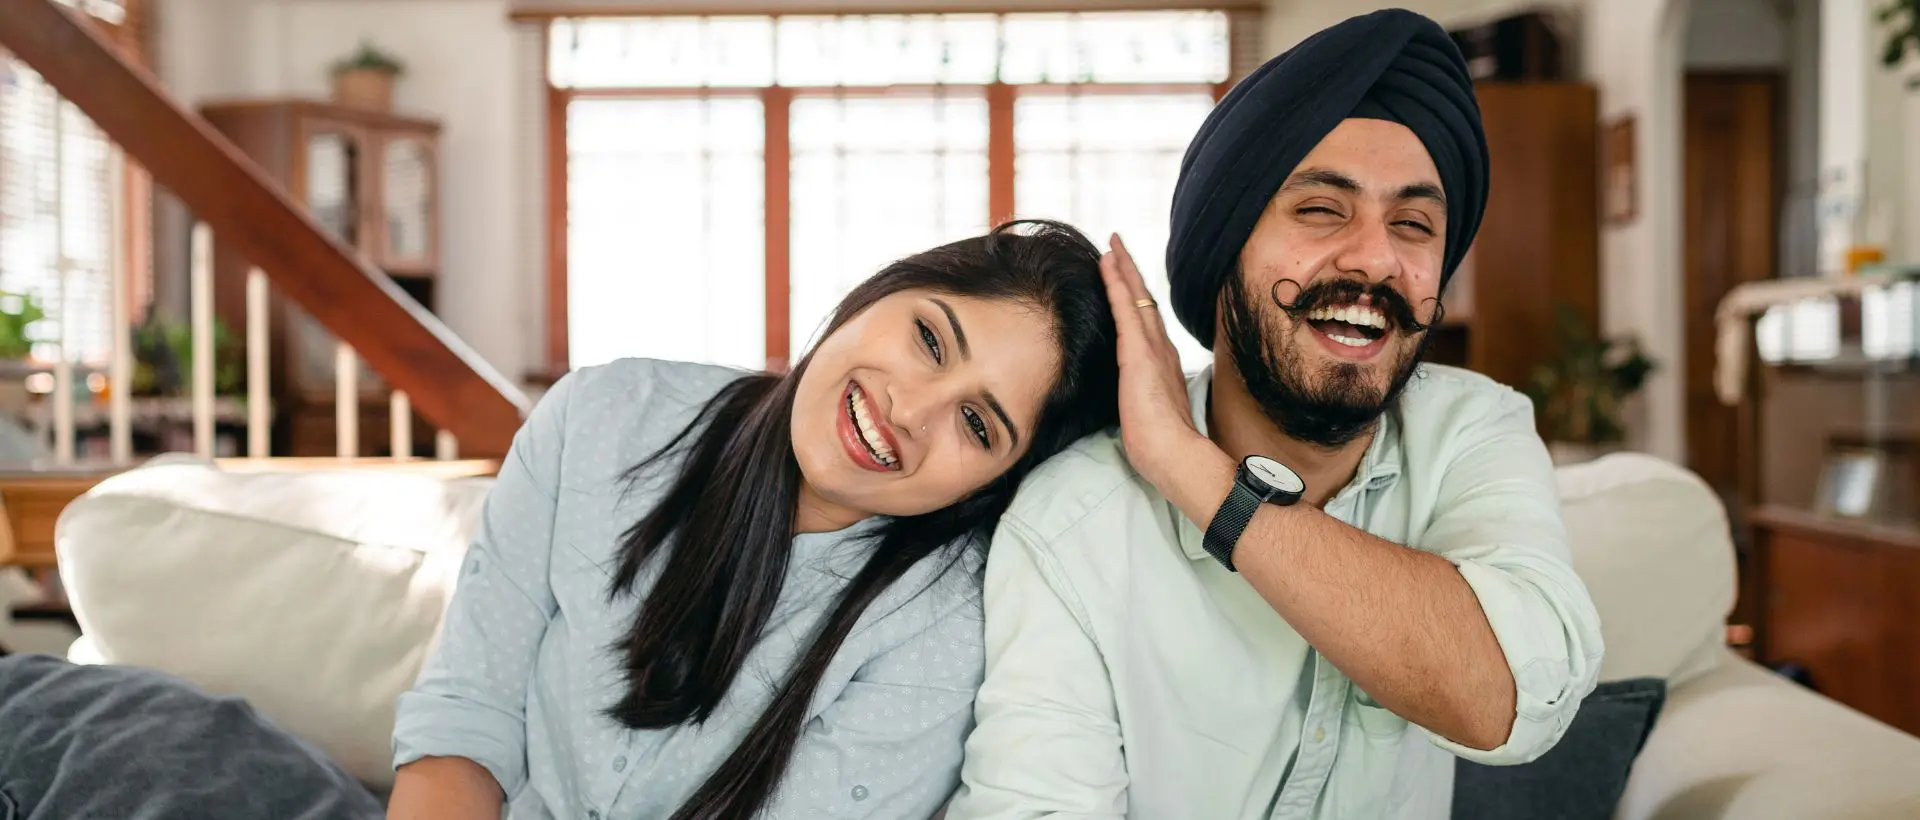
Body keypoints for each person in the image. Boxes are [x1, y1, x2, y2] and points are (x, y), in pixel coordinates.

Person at [946, 10, 1604, 820]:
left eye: (1413, 224)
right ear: (1225, 253)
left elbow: (1511, 700)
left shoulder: (1471, 431)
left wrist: (1192, 471)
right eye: (1322, 210)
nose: (1374, 257)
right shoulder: (1071, 525)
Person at [387, 219, 1120, 820]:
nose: (911, 409)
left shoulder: (953, 625)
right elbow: (464, 720)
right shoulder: (600, 418)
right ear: (880, 291)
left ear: (989, 486)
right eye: (929, 340)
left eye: (976, 424)